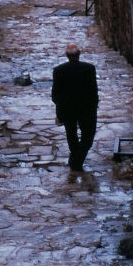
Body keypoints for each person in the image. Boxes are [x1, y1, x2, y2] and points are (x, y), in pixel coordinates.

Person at [51, 41, 98, 171]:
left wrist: (60, 109)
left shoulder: (59, 70)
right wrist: (94, 107)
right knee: (88, 137)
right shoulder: (89, 69)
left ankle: (75, 160)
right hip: (86, 109)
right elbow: (93, 91)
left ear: (67, 55)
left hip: (67, 110)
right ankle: (77, 161)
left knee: (71, 136)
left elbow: (55, 95)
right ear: (79, 54)